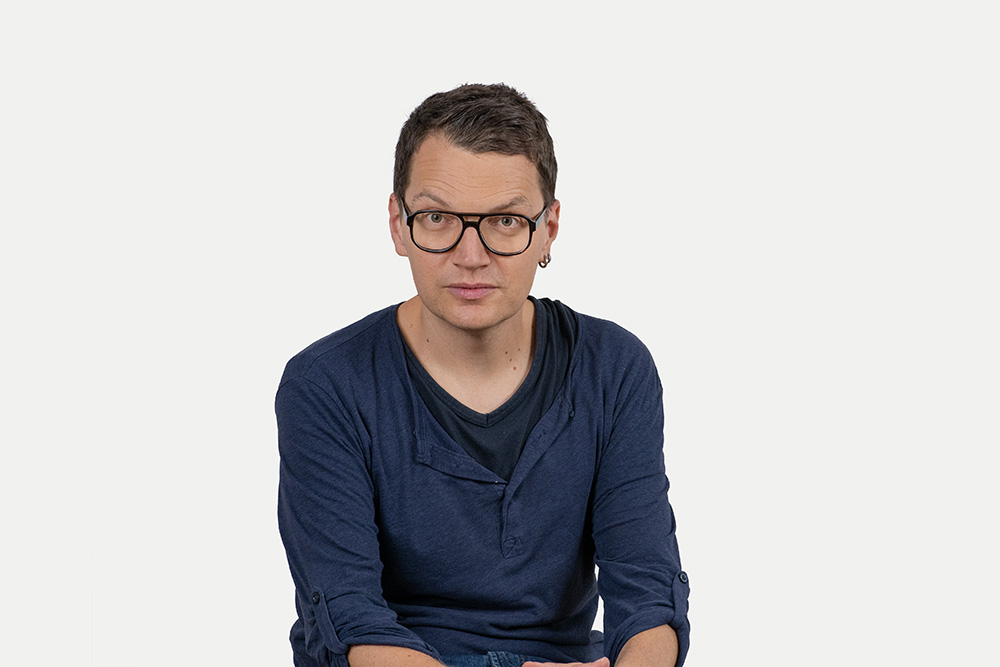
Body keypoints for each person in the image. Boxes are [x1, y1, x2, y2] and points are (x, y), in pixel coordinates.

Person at [276, 83, 690, 667]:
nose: (471, 256)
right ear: (398, 224)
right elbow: (350, 619)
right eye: (437, 217)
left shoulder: (614, 369)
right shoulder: (325, 385)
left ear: (547, 229)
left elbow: (648, 595)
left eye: (505, 221)